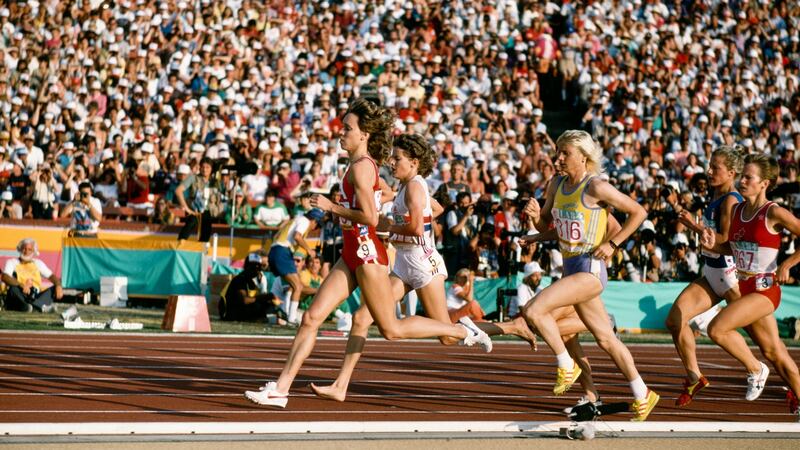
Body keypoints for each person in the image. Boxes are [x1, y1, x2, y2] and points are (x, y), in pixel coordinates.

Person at [244, 99, 488, 408]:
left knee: (391, 329)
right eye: (342, 127)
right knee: (312, 316)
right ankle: (281, 389)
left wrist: (332, 207)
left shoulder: (361, 168)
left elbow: (371, 218)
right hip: (351, 251)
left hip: (367, 253)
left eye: (348, 129)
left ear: (364, 135)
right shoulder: (362, 167)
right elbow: (379, 208)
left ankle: (459, 329)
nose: (340, 133)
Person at [308, 133, 498, 403]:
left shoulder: (415, 187)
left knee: (446, 337)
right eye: (392, 157)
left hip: (422, 265)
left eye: (397, 159)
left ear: (414, 162)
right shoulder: (408, 188)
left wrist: (388, 227)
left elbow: (417, 228)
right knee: (362, 318)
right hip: (404, 263)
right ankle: (341, 385)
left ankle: (505, 327)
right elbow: (438, 208)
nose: (391, 162)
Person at [522, 130, 658, 421]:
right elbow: (551, 224)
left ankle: (565, 364)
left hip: (591, 269)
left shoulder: (595, 186)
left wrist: (613, 243)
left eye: (564, 153)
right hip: (571, 266)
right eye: (557, 152)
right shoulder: (556, 184)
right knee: (606, 340)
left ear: (583, 157)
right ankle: (642, 393)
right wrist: (535, 222)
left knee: (534, 310)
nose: (558, 158)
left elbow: (639, 212)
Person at [701, 154, 800, 419]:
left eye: (748, 177)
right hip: (745, 287)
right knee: (774, 351)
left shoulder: (774, 212)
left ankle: (755, 370)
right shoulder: (737, 211)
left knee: (717, 328)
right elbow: (729, 248)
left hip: (765, 290)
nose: (742, 181)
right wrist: (713, 244)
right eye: (742, 176)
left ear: (764, 183)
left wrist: (788, 264)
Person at [664, 146, 744, 406]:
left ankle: (775, 376)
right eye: (709, 165)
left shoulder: (731, 199)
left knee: (765, 341)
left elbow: (727, 242)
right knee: (675, 320)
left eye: (715, 167)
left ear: (731, 172)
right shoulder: (717, 195)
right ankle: (694, 376)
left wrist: (693, 225)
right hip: (711, 273)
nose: (709, 171)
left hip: (728, 274)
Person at [267, 208, 325, 325]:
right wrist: (309, 250)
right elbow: (297, 236)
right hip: (282, 252)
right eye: (317, 225)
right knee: (298, 286)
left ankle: (283, 312)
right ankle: (291, 318)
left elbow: (277, 237)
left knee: (292, 286)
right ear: (314, 220)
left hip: (274, 251)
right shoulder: (305, 221)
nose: (315, 228)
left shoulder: (295, 220)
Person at [1, 238, 62, 313]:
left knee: (55, 287)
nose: (26, 251)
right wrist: (21, 285)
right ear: (20, 249)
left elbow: (52, 276)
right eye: (24, 248)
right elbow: (5, 277)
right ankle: (38, 307)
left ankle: (31, 307)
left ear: (34, 252)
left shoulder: (38, 263)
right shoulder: (12, 262)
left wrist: (58, 285)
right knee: (13, 288)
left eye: (29, 249)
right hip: (21, 293)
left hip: (35, 295)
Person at [219, 250, 280, 322]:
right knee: (257, 306)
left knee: (268, 306)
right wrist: (265, 297)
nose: (258, 270)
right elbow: (244, 300)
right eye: (255, 267)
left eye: (260, 267)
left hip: (239, 311)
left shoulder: (251, 280)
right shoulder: (240, 279)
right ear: (248, 266)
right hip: (229, 314)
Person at [175, 157, 221, 243]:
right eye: (203, 167)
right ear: (199, 167)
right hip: (194, 211)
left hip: (208, 213)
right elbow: (178, 191)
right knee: (185, 234)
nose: (205, 169)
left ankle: (202, 254)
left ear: (211, 169)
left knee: (205, 239)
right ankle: (178, 250)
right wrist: (186, 208)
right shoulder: (193, 178)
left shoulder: (214, 182)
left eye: (207, 167)